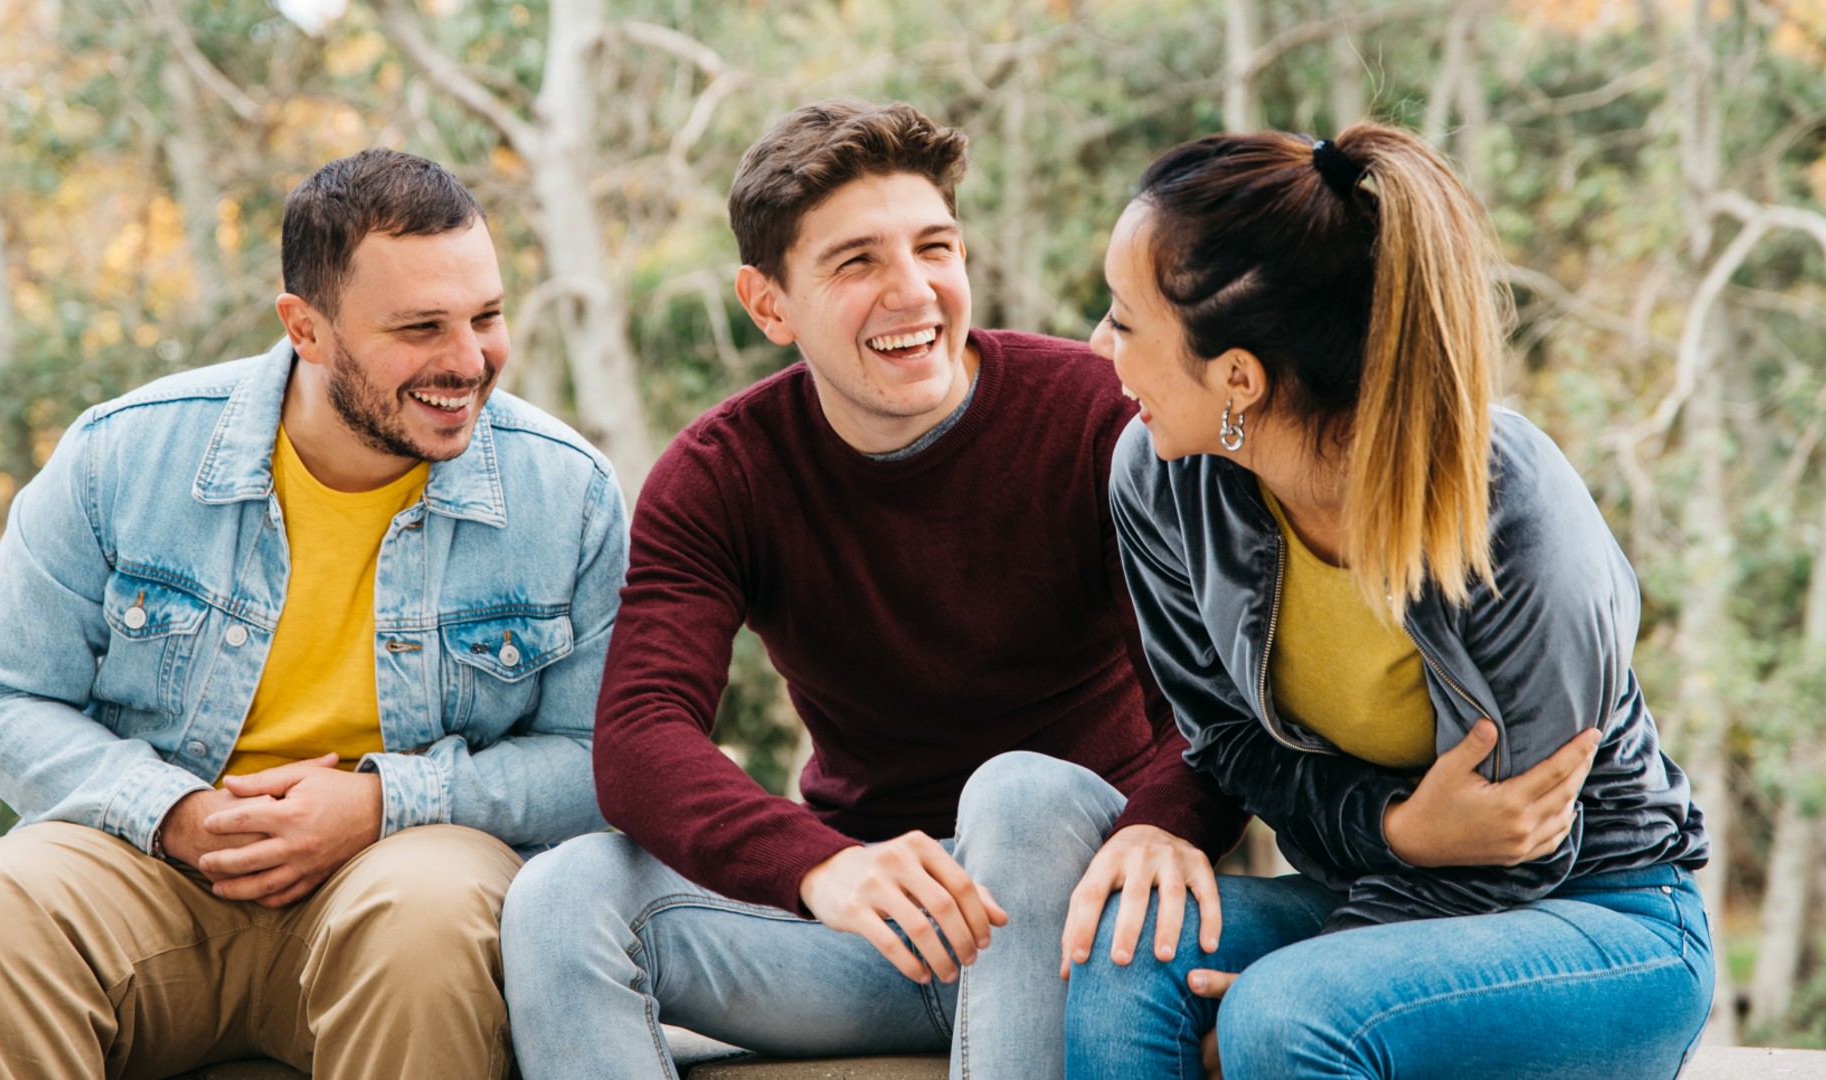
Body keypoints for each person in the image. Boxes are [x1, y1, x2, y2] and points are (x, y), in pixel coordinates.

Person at [498, 99, 1254, 1079]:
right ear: (769, 305)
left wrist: (1163, 825)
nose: (915, 292)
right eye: (857, 263)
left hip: (1076, 908)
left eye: (934, 248)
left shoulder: (1103, 419)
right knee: (560, 896)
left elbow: (1223, 711)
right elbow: (641, 738)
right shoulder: (723, 472)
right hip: (881, 933)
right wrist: (820, 863)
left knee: (1016, 792)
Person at [0, 148, 625, 1079]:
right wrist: (173, 812)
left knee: (431, 917)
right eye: (420, 327)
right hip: (151, 868)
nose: (467, 360)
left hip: (404, 872)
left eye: (486, 317)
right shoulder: (121, 454)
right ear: (306, 328)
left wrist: (381, 805)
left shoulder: (566, 492)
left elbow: (603, 759)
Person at [1064, 122, 1713, 1079]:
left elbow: (1526, 838)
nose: (1097, 346)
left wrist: (1325, 968)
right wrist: (1397, 833)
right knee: (1127, 950)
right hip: (1384, 884)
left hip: (1605, 913)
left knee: (1288, 1019)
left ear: (1237, 376)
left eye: (1123, 321)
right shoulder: (1163, 481)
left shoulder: (1509, 507)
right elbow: (1231, 748)